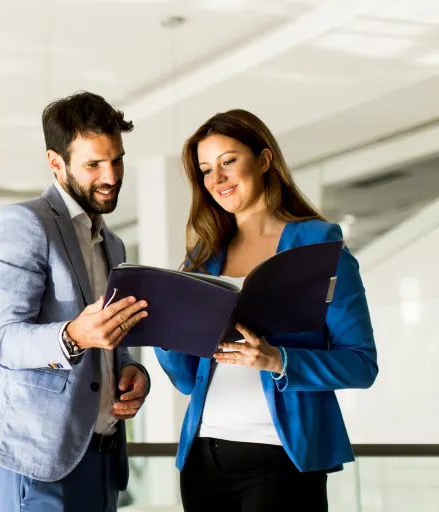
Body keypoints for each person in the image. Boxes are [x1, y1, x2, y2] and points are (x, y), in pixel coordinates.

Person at [157, 109, 378, 512]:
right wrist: (163, 330)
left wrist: (278, 360)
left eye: (228, 161)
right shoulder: (203, 258)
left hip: (281, 459)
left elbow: (361, 365)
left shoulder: (318, 245)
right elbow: (187, 380)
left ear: (263, 160)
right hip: (203, 458)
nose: (217, 179)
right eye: (206, 170)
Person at [0, 91, 151, 512]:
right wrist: (73, 335)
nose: (111, 175)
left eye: (117, 159)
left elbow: (110, 342)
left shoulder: (113, 244)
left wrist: (131, 371)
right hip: (41, 463)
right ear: (56, 163)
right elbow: (4, 340)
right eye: (94, 164)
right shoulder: (24, 224)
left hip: (105, 461)